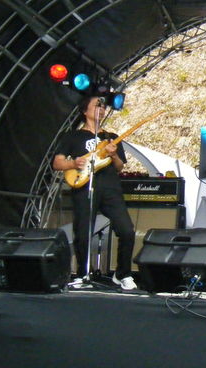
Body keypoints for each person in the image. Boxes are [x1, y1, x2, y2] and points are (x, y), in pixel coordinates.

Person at [52, 95, 137, 290]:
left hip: (111, 188)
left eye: (103, 107)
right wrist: (73, 163)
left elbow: (119, 167)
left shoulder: (111, 137)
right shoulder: (72, 136)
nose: (102, 109)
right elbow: (57, 163)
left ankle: (122, 274)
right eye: (97, 105)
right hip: (85, 186)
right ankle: (82, 274)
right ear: (85, 110)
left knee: (127, 230)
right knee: (83, 232)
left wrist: (114, 154)